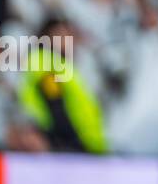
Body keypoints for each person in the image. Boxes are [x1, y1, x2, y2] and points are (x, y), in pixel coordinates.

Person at [16, 18, 106, 154]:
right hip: (68, 144)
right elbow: (55, 104)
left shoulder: (61, 64)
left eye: (68, 34)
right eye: (61, 35)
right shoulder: (46, 63)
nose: (67, 39)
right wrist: (71, 142)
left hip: (85, 143)